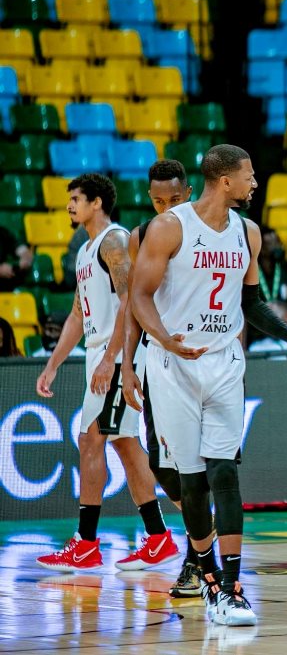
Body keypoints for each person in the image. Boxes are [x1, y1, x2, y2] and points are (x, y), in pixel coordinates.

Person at [131, 145, 287, 626]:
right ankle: (207, 578)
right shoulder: (169, 228)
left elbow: (252, 304)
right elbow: (139, 297)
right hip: (173, 364)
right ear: (225, 181)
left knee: (224, 473)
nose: (255, 183)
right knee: (190, 480)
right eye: (249, 176)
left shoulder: (248, 232)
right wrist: (162, 338)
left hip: (225, 362)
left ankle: (230, 588)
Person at [34, 174, 180, 573]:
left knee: (90, 440)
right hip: (101, 354)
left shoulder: (114, 241)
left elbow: (130, 301)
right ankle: (159, 537)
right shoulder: (86, 250)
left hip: (118, 358)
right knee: (125, 444)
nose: (70, 205)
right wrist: (53, 364)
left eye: (76, 198)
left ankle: (86, 544)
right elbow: (76, 316)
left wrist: (112, 357)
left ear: (97, 202)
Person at [118, 159, 201, 597]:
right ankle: (203, 540)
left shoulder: (210, 232)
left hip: (204, 358)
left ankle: (199, 559)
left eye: (174, 199)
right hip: (158, 359)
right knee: (162, 466)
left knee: (201, 466)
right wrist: (127, 364)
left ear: (189, 193)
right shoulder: (142, 236)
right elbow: (135, 303)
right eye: (157, 201)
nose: (166, 208)